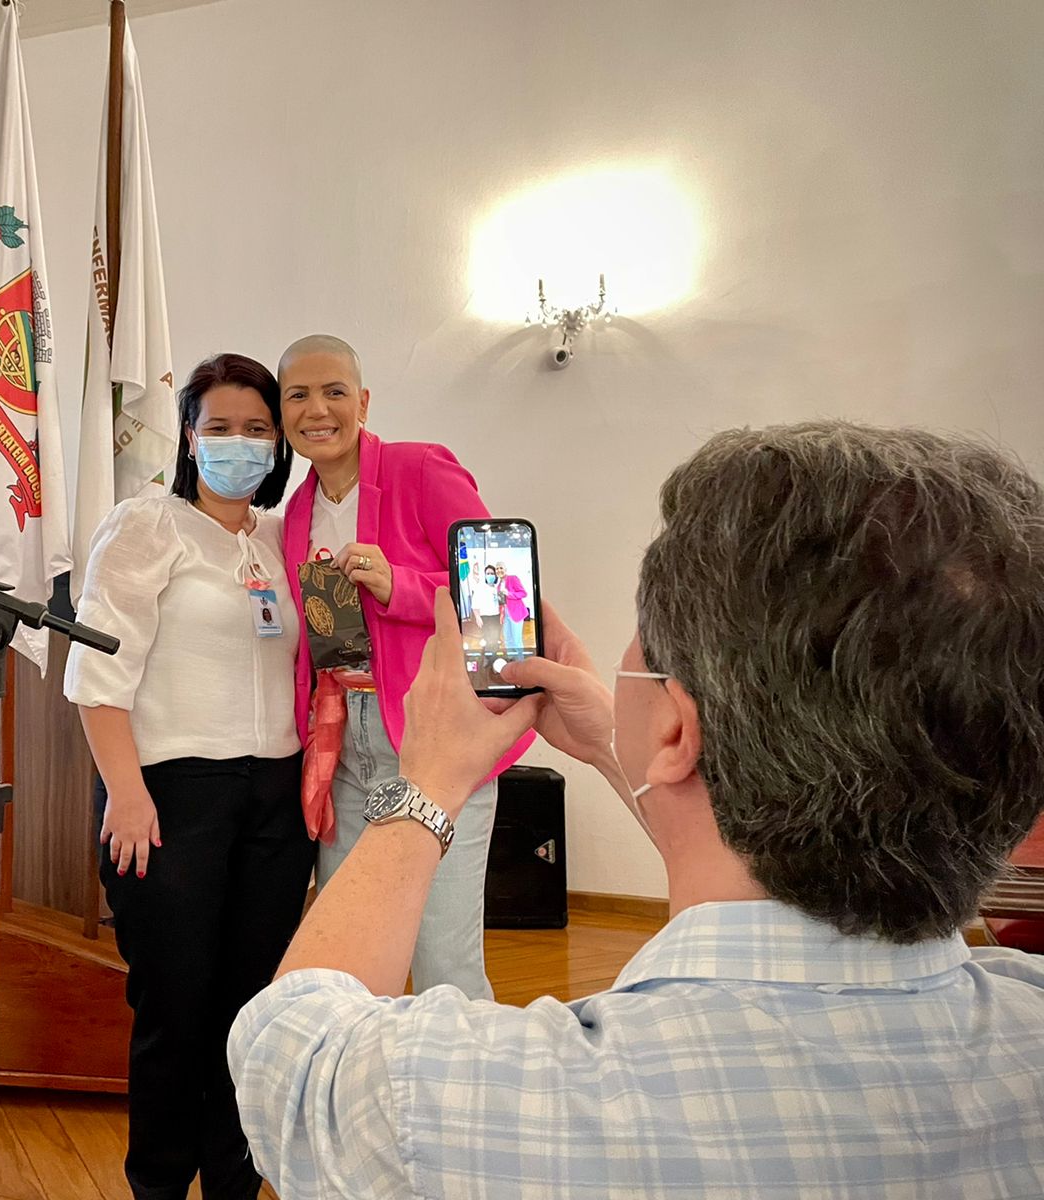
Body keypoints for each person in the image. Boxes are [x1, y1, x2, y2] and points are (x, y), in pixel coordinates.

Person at [229, 422, 1044, 1198]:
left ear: (677, 727)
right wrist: (617, 750)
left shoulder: (509, 1102)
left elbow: (293, 1061)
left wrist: (428, 784)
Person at [65, 353, 313, 1200]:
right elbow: (97, 676)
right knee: (176, 1010)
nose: (240, 444)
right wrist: (126, 794)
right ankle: (161, 1186)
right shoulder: (147, 525)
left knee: (250, 1010)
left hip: (276, 803)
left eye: (258, 429)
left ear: (278, 444)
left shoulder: (279, 539)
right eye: (221, 428)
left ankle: (234, 1184)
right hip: (170, 796)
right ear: (189, 436)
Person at [278, 334, 533, 999]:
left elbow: (505, 594)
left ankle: (467, 1070)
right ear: (282, 412)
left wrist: (402, 585)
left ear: (363, 402)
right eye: (298, 395)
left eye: (334, 391)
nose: (317, 410)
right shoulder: (296, 511)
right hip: (342, 744)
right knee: (353, 952)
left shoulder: (419, 468)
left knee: (445, 960)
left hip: (431, 736)